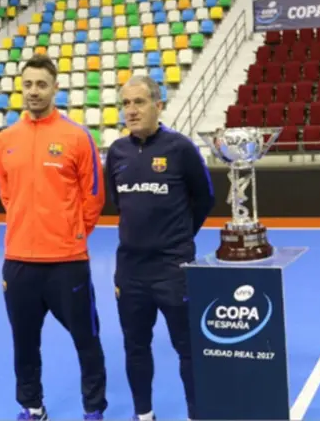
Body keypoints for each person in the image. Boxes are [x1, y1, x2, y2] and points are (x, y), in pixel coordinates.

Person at [0, 54, 108, 420]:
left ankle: (93, 408)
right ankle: (32, 405)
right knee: (24, 344)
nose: (34, 92)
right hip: (19, 263)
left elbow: (93, 196)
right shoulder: (5, 139)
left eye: (41, 84)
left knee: (86, 341)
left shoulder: (76, 136)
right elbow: (6, 194)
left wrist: (71, 233)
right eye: (27, 84)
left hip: (67, 263)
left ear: (56, 88)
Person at [105, 75, 215, 421]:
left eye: (139, 102)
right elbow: (118, 204)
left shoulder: (180, 148)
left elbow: (205, 198)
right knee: (135, 347)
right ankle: (144, 414)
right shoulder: (117, 153)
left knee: (188, 349)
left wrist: (180, 238)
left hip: (173, 268)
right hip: (131, 271)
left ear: (158, 105)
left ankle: (197, 414)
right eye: (126, 104)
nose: (131, 111)